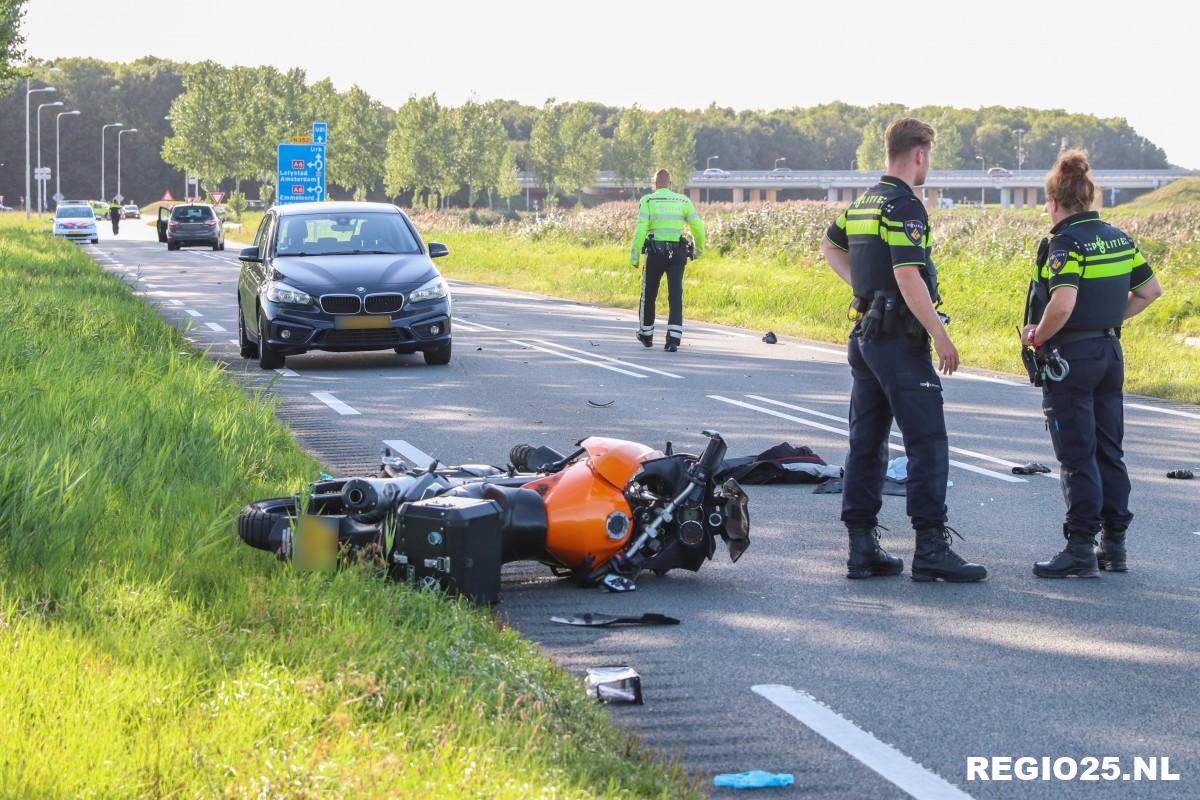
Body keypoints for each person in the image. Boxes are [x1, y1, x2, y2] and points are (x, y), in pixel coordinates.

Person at [819, 117, 986, 583]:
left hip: (865, 338)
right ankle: (931, 547)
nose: (928, 164)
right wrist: (941, 335)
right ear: (918, 154)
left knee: (866, 444)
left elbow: (830, 247)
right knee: (927, 442)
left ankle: (862, 547)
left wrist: (866, 290)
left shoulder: (864, 202)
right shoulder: (905, 206)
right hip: (898, 342)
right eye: (929, 156)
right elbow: (910, 276)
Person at [1022, 150, 1163, 578]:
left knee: (1077, 455)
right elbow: (1150, 291)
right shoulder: (1118, 238)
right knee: (1109, 451)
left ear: (1054, 202)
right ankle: (1114, 546)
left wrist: (1038, 334)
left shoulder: (1066, 243)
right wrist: (1105, 318)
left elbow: (1061, 305)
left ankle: (1080, 547)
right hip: (1109, 354)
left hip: (1072, 359)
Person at [628, 169, 706, 352]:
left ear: (655, 185)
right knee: (675, 295)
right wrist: (698, 250)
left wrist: (634, 256)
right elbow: (698, 228)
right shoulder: (684, 201)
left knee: (649, 294)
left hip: (655, 253)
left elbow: (640, 230)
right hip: (678, 253)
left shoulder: (648, 200)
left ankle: (646, 334)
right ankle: (673, 340)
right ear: (671, 184)